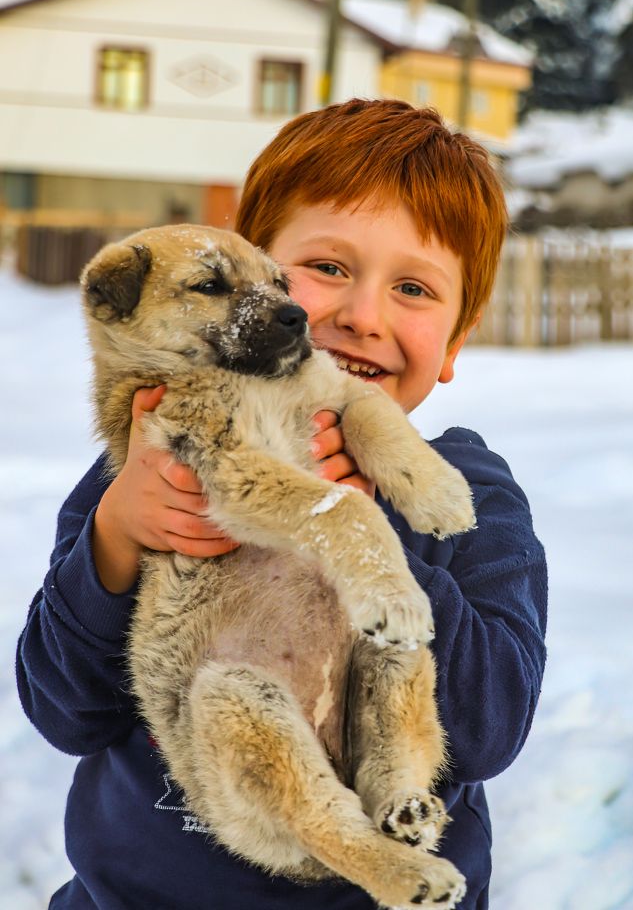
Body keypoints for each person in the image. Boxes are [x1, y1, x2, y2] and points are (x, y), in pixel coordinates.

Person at [16, 98, 547, 910]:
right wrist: (116, 538)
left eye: (412, 287)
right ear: (251, 264)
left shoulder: (466, 492)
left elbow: (488, 729)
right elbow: (65, 713)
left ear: (456, 340)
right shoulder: (143, 472)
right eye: (327, 268)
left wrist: (377, 538)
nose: (358, 316)